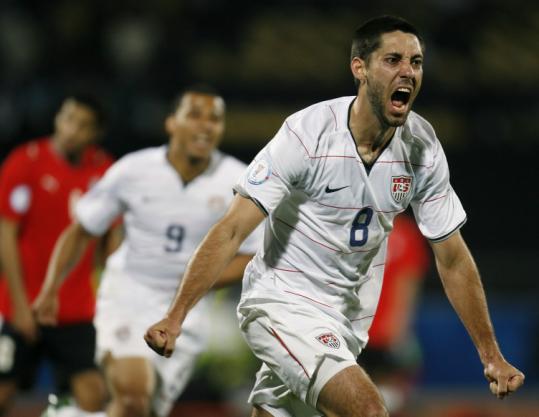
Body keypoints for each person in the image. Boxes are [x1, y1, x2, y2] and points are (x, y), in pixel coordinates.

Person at [144, 15, 525, 417]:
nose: (408, 72)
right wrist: (176, 315)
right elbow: (232, 229)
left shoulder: (422, 148)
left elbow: (453, 258)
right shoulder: (307, 134)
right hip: (282, 304)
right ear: (360, 68)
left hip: (347, 320)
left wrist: (491, 355)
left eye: (416, 62)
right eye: (393, 60)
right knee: (369, 411)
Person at [33, 86, 261, 417]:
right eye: (194, 115)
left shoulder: (240, 180)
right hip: (130, 295)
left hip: (187, 310)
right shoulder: (134, 170)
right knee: (133, 399)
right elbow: (82, 228)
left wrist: (196, 282)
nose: (205, 125)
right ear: (171, 123)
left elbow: (254, 254)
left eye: (214, 118)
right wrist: (51, 288)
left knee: (145, 410)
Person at [0, 94, 112, 415]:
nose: (72, 130)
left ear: (96, 134)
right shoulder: (25, 161)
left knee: (93, 395)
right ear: (58, 119)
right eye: (68, 119)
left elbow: (112, 238)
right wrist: (20, 306)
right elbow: (6, 235)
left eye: (83, 125)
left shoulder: (105, 170)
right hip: (22, 305)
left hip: (75, 310)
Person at [357, 213, 429, 416]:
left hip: (370, 332)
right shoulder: (403, 232)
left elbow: (408, 281)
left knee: (384, 398)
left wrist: (398, 328)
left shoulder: (403, 232)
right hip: (366, 331)